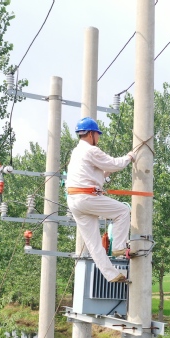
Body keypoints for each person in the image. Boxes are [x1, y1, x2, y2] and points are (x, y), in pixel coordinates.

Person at [66, 117, 135, 283]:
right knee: (123, 211)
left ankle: (111, 275)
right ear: (91, 134)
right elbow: (115, 164)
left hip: (74, 200)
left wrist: (106, 172)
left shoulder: (76, 152)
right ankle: (119, 246)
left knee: (93, 243)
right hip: (87, 197)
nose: (98, 137)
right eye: (98, 134)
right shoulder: (91, 150)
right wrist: (129, 157)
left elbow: (92, 173)